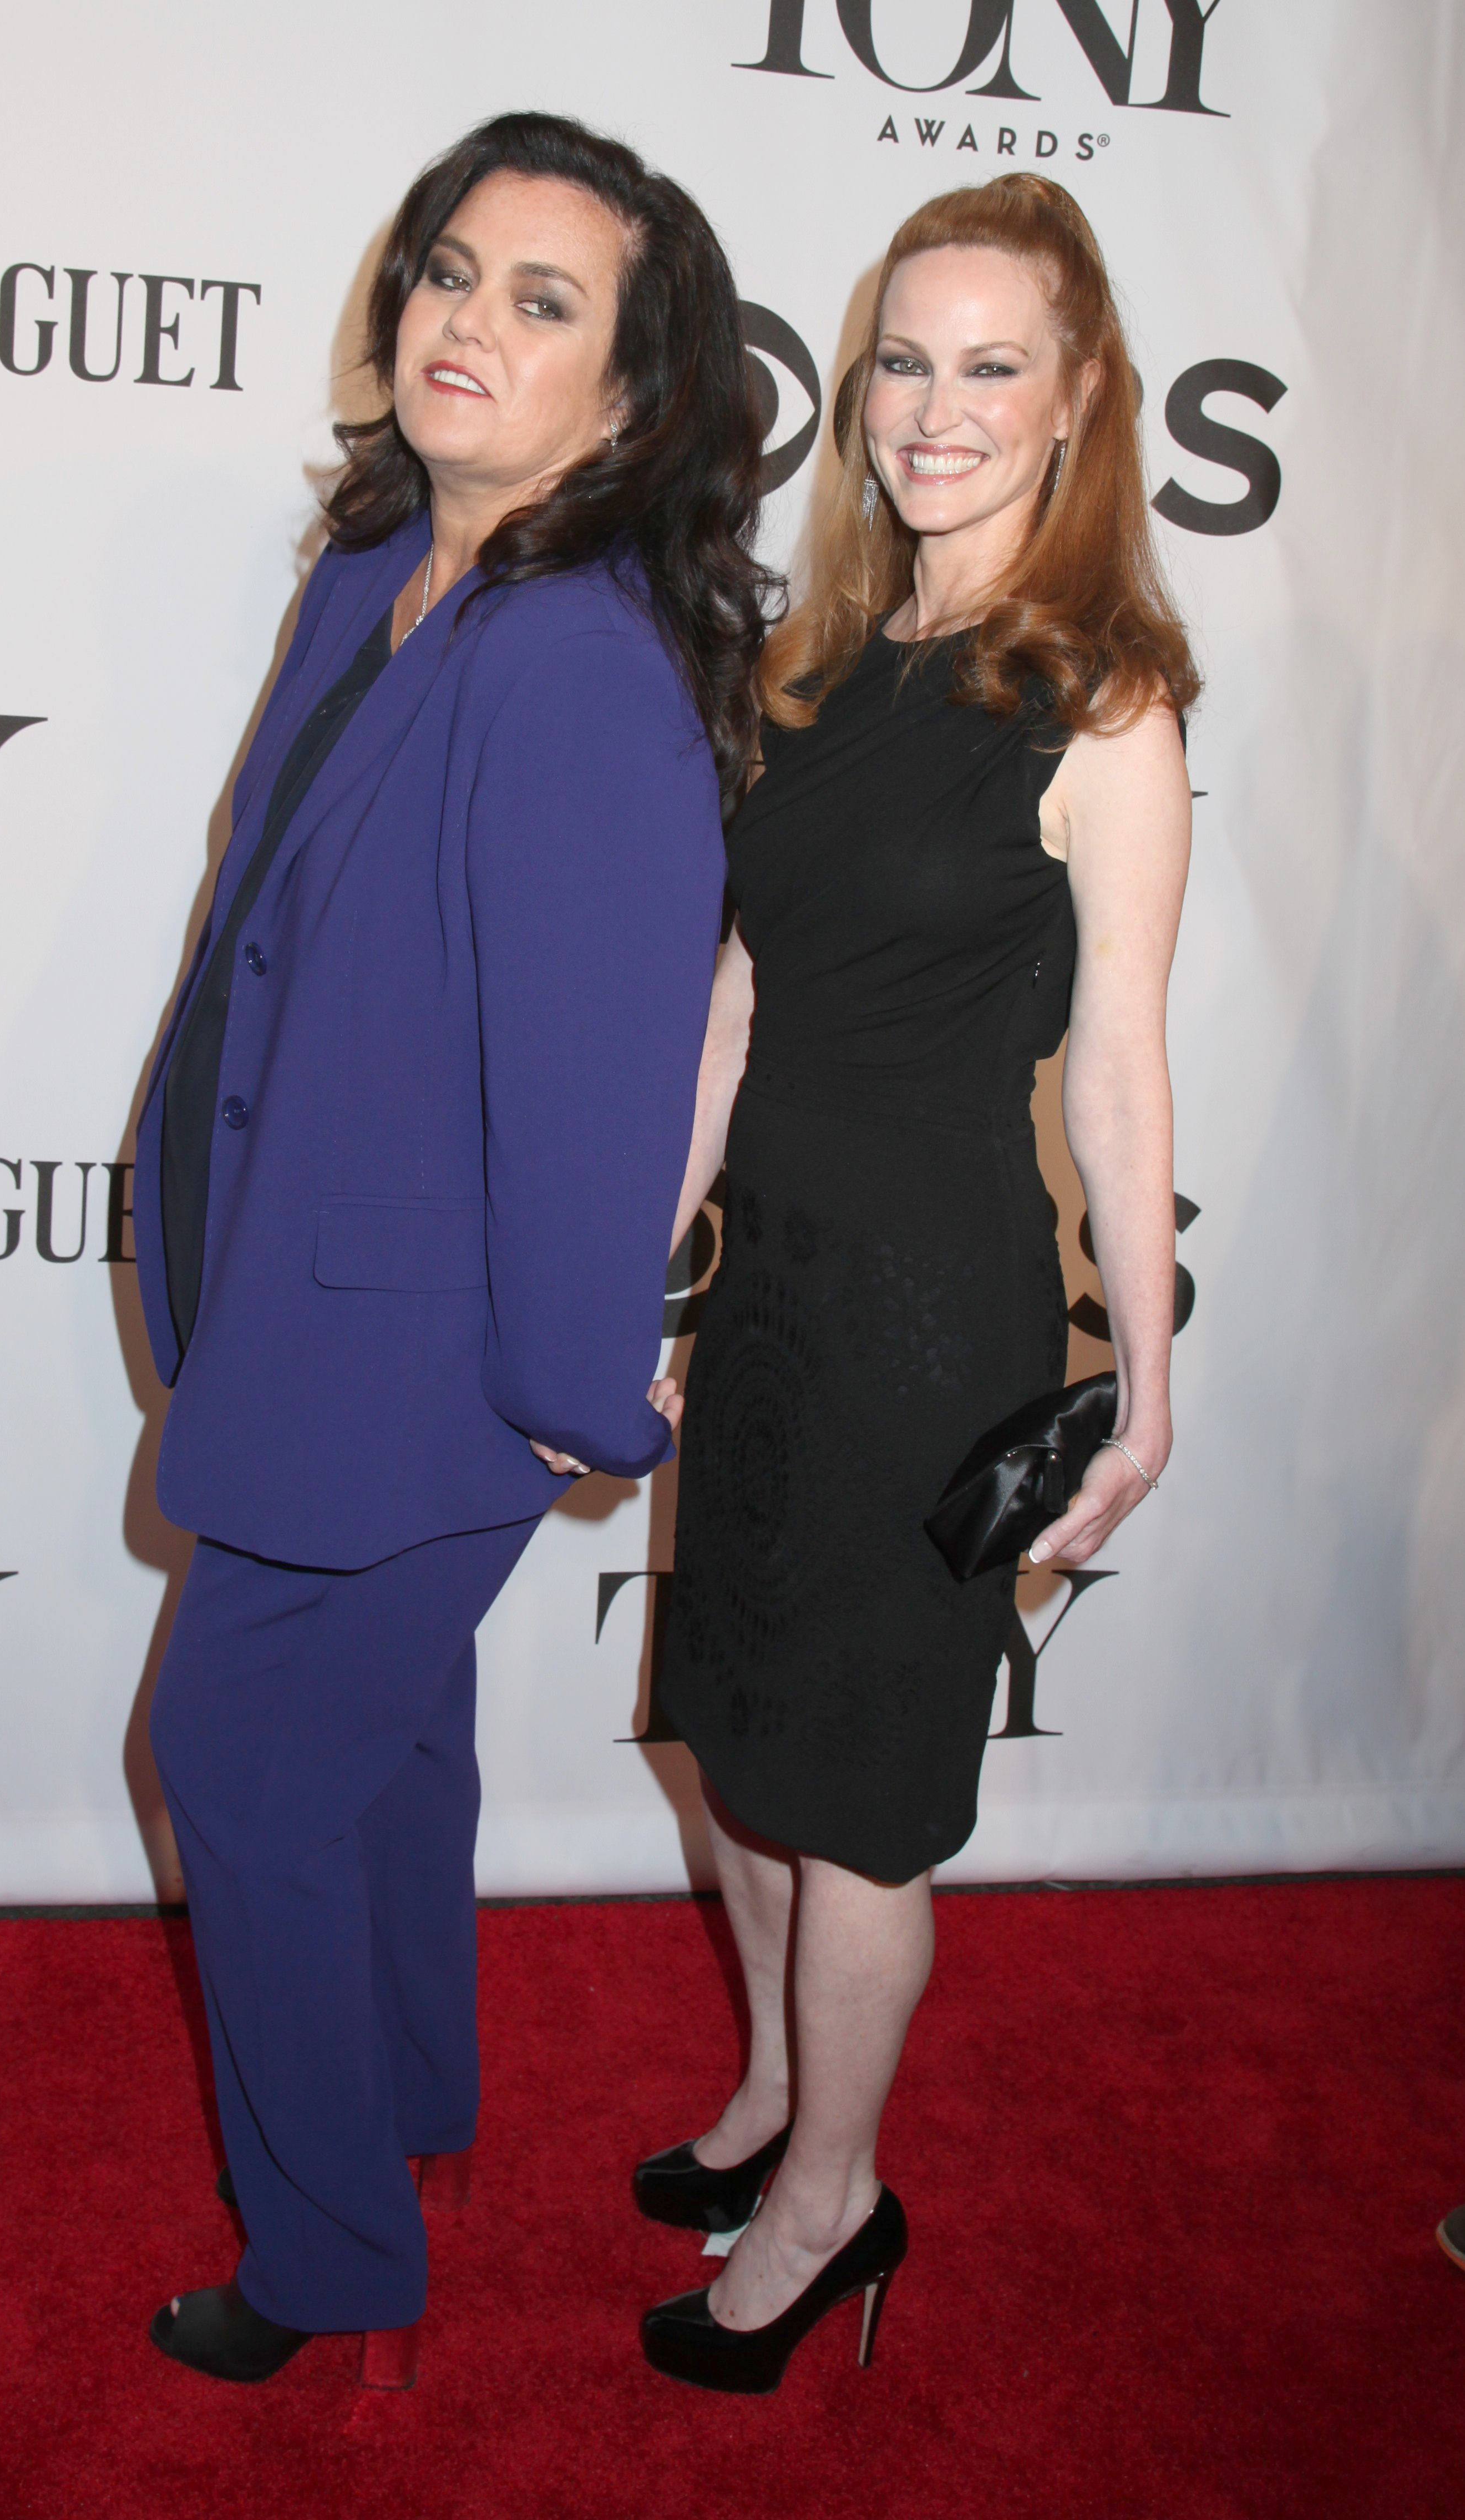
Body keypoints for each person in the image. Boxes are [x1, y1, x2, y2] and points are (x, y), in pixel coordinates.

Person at [133, 111, 770, 2386]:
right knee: (377, 1750)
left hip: (432, 1357)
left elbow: (593, 1089)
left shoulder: (579, 666)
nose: (462, 323)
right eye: (448, 268)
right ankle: (407, 2099)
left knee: (243, 1761)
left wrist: (572, 1390)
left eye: (540, 299)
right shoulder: (376, 569)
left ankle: (324, 2259)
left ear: (632, 394)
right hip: (297, 1305)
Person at [636, 174, 1198, 2393]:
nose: (932, 408)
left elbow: (1128, 1075)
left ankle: (833, 2195)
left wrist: (1137, 1380)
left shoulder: (1100, 697)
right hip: (767, 1287)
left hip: (926, 1319)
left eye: (992, 366)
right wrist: (640, 1273)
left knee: (856, 1797)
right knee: (737, 1751)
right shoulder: (811, 657)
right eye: (901, 356)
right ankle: (782, 2083)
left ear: (1074, 405)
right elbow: (731, 1007)